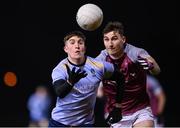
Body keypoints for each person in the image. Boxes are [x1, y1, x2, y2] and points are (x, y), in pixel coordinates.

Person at [49, 31, 124, 127]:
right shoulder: (61, 69)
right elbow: (59, 92)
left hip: (85, 124)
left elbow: (120, 77)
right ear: (66, 49)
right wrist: (70, 82)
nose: (77, 46)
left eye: (80, 42)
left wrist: (118, 106)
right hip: (59, 123)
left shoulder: (98, 66)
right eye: (72, 43)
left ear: (84, 48)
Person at [96, 21, 161, 127]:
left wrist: (152, 66)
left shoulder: (135, 53)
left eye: (114, 39)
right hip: (116, 113)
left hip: (140, 110)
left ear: (123, 39)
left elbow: (157, 71)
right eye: (106, 39)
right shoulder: (101, 59)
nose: (110, 44)